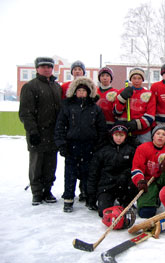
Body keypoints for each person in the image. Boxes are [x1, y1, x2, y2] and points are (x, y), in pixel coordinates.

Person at [54, 77, 107, 212]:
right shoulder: (67, 108)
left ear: (89, 92)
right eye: (79, 90)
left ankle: (89, 197)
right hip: (72, 146)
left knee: (89, 174)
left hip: (90, 146)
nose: (82, 93)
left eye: (84, 91)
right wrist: (62, 144)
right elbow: (60, 127)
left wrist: (98, 145)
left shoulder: (95, 109)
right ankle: (68, 199)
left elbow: (101, 129)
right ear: (74, 92)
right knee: (70, 174)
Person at [19, 57, 62, 206]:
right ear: (37, 68)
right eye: (43, 66)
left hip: (53, 134)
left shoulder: (57, 87)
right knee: (37, 164)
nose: (47, 69)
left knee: (51, 164)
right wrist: (33, 131)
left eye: (49, 67)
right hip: (38, 133)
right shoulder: (30, 87)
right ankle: (37, 192)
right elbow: (25, 112)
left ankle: (47, 190)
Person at [86, 124, 138, 217]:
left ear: (126, 136)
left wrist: (125, 176)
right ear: (112, 135)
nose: (119, 138)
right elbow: (93, 173)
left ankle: (126, 200)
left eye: (121, 135)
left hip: (124, 185)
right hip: (107, 186)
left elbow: (135, 169)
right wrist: (91, 195)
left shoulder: (131, 150)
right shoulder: (103, 150)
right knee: (104, 212)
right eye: (116, 135)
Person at [131, 124, 165, 218]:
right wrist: (140, 181)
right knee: (146, 213)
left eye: (163, 134)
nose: (160, 136)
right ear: (153, 136)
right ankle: (154, 198)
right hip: (149, 182)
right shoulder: (142, 148)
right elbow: (137, 168)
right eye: (158, 133)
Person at [60, 60, 87, 201]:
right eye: (75, 69)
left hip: (85, 134)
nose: (77, 71)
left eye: (79, 69)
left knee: (86, 167)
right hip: (71, 128)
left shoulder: (89, 86)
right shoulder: (65, 87)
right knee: (70, 169)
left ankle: (85, 191)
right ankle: (69, 194)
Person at [114, 68, 156, 144]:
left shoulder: (149, 94)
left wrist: (135, 124)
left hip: (144, 132)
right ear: (130, 79)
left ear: (143, 80)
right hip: (126, 131)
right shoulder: (122, 91)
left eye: (139, 78)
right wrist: (122, 98)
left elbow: (150, 116)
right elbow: (116, 112)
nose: (136, 81)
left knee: (144, 152)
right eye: (134, 78)